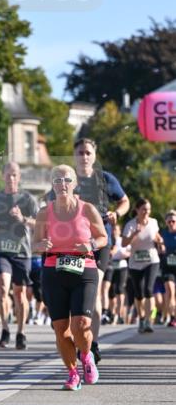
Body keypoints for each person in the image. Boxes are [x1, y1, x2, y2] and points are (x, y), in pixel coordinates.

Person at [33, 165, 107, 390]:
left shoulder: (88, 210)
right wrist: (41, 245)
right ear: (52, 185)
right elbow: (35, 244)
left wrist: (91, 245)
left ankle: (86, 355)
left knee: (81, 324)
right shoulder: (45, 212)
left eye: (66, 180)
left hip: (84, 268)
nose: (62, 184)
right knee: (61, 328)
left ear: (74, 184)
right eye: (57, 180)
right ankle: (73, 373)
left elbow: (103, 237)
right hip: (54, 270)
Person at [71, 137, 129, 361]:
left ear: (94, 156)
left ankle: (92, 344)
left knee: (92, 289)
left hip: (100, 242)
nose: (84, 157)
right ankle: (81, 339)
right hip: (74, 244)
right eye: (80, 153)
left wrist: (117, 213)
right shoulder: (68, 179)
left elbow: (124, 201)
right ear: (74, 156)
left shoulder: (105, 179)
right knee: (75, 295)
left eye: (88, 153)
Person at [0, 161, 38, 350]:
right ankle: (5, 328)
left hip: (22, 251)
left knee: (19, 293)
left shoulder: (27, 199)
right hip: (1, 249)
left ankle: (21, 332)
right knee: (1, 288)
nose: (11, 178)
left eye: (14, 174)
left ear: (19, 177)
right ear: (3, 176)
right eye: (8, 174)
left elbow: (39, 223)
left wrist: (23, 219)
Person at [122, 198, 163, 333]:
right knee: (139, 294)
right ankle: (141, 318)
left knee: (148, 290)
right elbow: (123, 244)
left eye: (149, 209)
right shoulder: (130, 225)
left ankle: (148, 322)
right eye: (144, 209)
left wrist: (160, 240)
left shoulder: (153, 222)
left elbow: (156, 235)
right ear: (137, 210)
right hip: (135, 263)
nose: (147, 212)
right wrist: (135, 233)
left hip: (152, 260)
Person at [159, 209, 176, 327]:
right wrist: (161, 248)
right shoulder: (162, 234)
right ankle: (172, 318)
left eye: (173, 221)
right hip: (167, 267)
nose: (171, 223)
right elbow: (157, 247)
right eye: (169, 221)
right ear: (166, 222)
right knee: (170, 291)